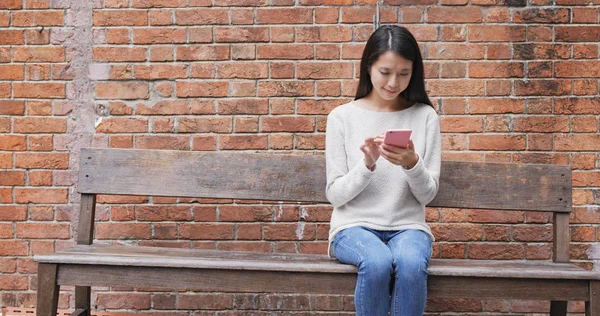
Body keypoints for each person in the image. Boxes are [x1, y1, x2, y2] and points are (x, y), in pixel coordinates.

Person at [325, 25, 441, 316]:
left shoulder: (425, 116)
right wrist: (367, 165)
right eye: (385, 72)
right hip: (353, 227)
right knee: (376, 262)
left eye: (404, 73)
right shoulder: (341, 117)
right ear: (368, 68)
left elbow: (427, 195)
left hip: (408, 227)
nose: (394, 82)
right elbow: (335, 195)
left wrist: (412, 164)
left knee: (411, 264)